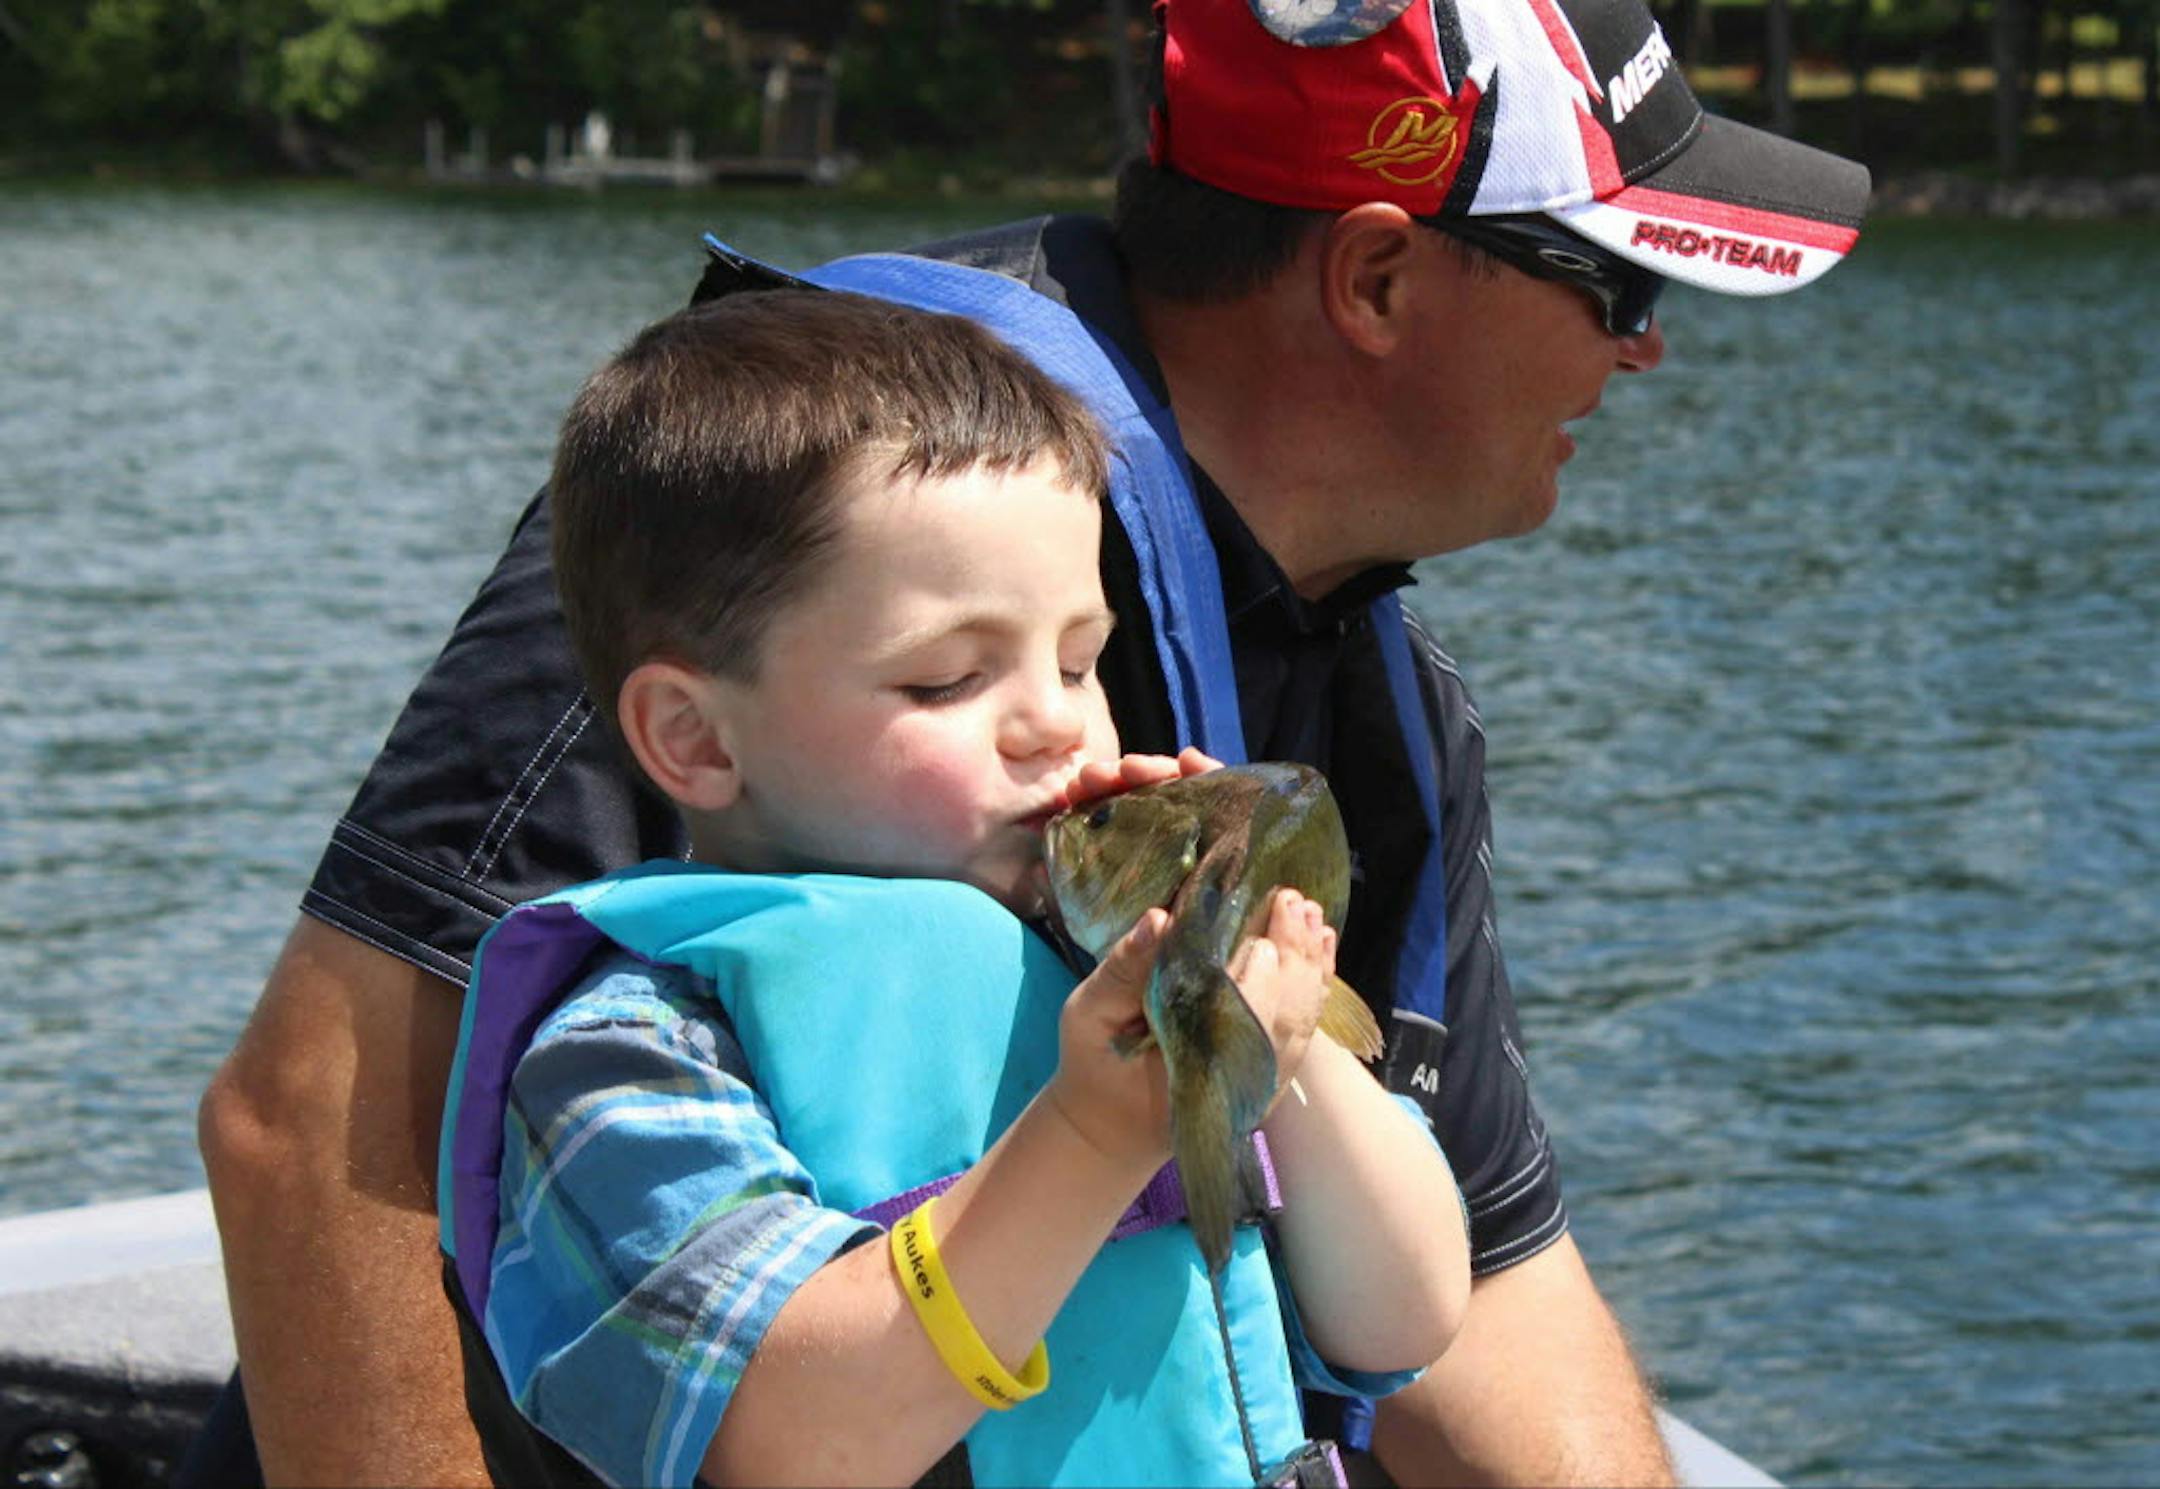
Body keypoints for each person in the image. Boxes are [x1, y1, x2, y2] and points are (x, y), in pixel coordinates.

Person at [195, 0, 1871, 1483]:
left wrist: (1289, 1057)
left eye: (1081, 659)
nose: (1648, 346)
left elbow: (1475, 1293)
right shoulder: (835, 482)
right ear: (1372, 275)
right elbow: (315, 1122)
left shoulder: (1383, 706)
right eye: (1619, 279)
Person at [436, 288, 1470, 1487]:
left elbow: (1406, 1316)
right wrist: (1089, 1136)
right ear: (699, 740)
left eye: (1081, 660)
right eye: (946, 679)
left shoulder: (1108, 970)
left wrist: (1265, 1030)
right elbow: (795, 1440)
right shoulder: (636, 1058)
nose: (1052, 720)